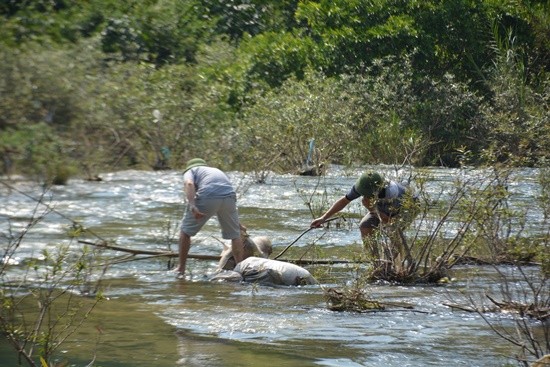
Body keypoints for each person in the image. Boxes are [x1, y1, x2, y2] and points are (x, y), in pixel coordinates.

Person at [175, 158, 244, 277]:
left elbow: (189, 184)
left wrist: (192, 205)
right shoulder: (215, 171)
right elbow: (223, 193)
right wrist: (237, 224)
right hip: (230, 197)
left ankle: (181, 268)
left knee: (185, 232)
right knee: (235, 235)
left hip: (208, 195)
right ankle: (241, 270)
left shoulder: (191, 171)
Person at [310, 171, 413, 240]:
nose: (363, 195)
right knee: (365, 226)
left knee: (393, 233)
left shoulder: (392, 193)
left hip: (406, 207)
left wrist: (371, 209)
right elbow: (344, 201)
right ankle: (375, 263)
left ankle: (395, 264)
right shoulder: (362, 186)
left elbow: (388, 221)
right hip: (379, 209)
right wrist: (323, 218)